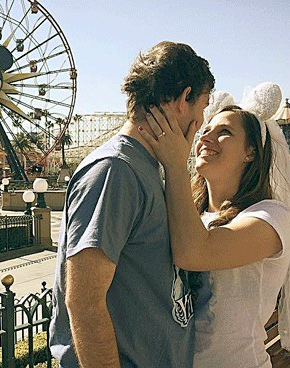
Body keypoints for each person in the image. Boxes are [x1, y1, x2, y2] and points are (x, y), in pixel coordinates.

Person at [139, 82, 290, 368]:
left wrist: (175, 164)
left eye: (224, 132)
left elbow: (194, 253)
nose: (206, 138)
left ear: (250, 153)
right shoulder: (190, 212)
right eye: (205, 130)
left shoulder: (271, 217)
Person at [49, 41, 215, 367]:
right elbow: (84, 301)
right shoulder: (115, 170)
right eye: (203, 105)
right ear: (184, 99)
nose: (202, 119)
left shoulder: (148, 168)